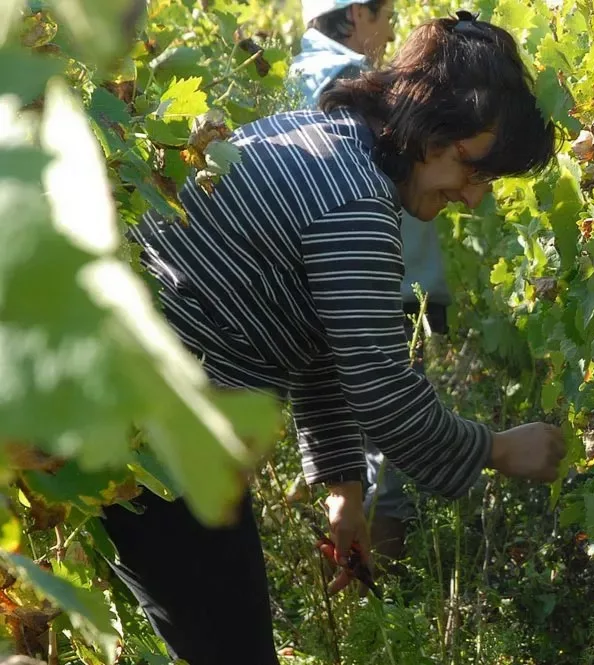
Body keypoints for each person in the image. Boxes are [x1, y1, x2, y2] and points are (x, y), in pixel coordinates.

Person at [103, 13, 566, 665]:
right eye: (472, 168)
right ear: (430, 124)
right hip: (154, 432)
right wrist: (497, 448)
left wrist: (343, 488)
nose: (473, 197)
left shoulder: (329, 140)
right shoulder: (356, 203)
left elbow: (319, 340)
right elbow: (383, 392)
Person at [290, 0, 453, 562]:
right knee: (387, 448)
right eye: (386, 17)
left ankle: (357, 578)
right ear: (358, 13)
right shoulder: (349, 84)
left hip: (336, 289)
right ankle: (380, 584)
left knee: (347, 448)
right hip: (379, 290)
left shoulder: (300, 75)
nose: (390, 31)